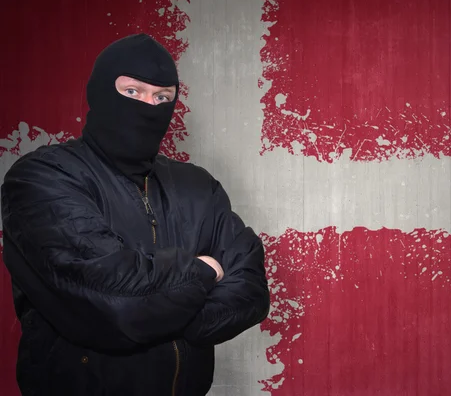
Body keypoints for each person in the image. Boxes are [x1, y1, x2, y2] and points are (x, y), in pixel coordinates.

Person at [1, 33, 270, 396]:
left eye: (162, 97)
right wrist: (204, 272)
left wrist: (166, 312)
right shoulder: (42, 177)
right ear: (99, 92)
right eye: (132, 92)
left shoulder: (198, 186)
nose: (149, 105)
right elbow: (114, 305)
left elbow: (250, 289)